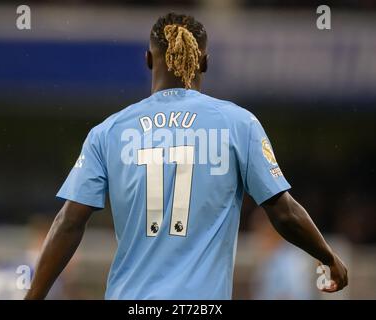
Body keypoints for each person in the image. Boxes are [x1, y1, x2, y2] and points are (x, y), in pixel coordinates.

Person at [25, 12, 347, 300]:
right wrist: (328, 257)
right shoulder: (238, 124)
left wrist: (33, 296)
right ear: (205, 62)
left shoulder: (108, 132)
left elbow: (68, 222)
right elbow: (283, 212)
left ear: (148, 60)